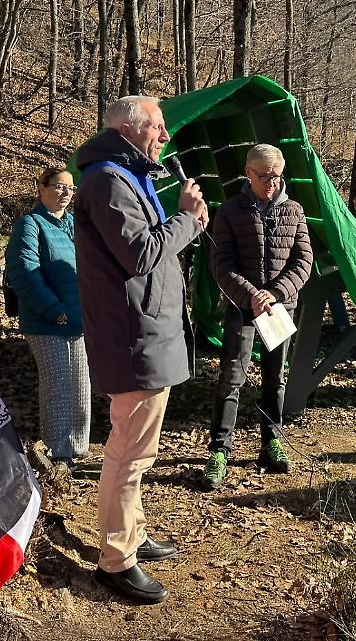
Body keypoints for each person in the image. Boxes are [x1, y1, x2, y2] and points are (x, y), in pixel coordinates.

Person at [75, 95, 207, 604]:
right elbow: (142, 253)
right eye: (159, 126)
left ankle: (132, 532)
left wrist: (182, 224)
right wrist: (189, 220)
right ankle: (115, 559)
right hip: (132, 339)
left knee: (138, 450)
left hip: (146, 332)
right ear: (131, 130)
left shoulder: (128, 177)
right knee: (129, 453)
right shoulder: (107, 181)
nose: (166, 136)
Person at [204, 144, 314, 489]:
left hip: (280, 309)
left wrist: (275, 293)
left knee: (274, 377)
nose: (270, 182)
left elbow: (303, 261)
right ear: (248, 173)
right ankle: (220, 449)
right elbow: (222, 266)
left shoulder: (295, 211)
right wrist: (251, 295)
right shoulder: (230, 212)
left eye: (276, 176)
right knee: (231, 378)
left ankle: (271, 442)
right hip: (242, 310)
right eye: (263, 175)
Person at [5, 166, 89, 466]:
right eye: (58, 186)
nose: (66, 193)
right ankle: (56, 452)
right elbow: (25, 274)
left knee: (80, 384)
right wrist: (56, 312)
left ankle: (77, 450)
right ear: (40, 188)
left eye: (70, 188)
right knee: (58, 385)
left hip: (78, 319)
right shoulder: (30, 224)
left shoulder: (74, 225)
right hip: (46, 321)